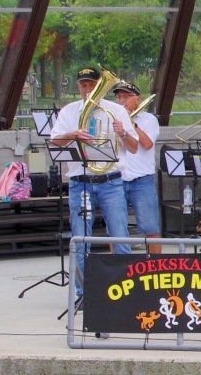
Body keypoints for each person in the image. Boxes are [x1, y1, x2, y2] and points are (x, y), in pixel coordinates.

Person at [49, 65, 139, 296]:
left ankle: (126, 292)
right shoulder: (69, 111)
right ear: (78, 86)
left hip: (111, 181)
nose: (88, 89)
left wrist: (123, 133)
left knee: (120, 238)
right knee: (80, 242)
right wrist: (72, 135)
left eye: (92, 84)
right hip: (81, 181)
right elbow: (55, 141)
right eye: (84, 85)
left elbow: (134, 147)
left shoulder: (116, 111)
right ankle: (83, 293)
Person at [112, 79, 161, 249]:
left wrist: (131, 123)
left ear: (137, 99)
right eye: (119, 97)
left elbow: (147, 144)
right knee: (115, 228)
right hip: (117, 177)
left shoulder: (149, 119)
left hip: (142, 179)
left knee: (150, 228)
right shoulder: (113, 119)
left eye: (126, 97)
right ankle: (118, 264)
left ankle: (156, 264)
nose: (122, 101)